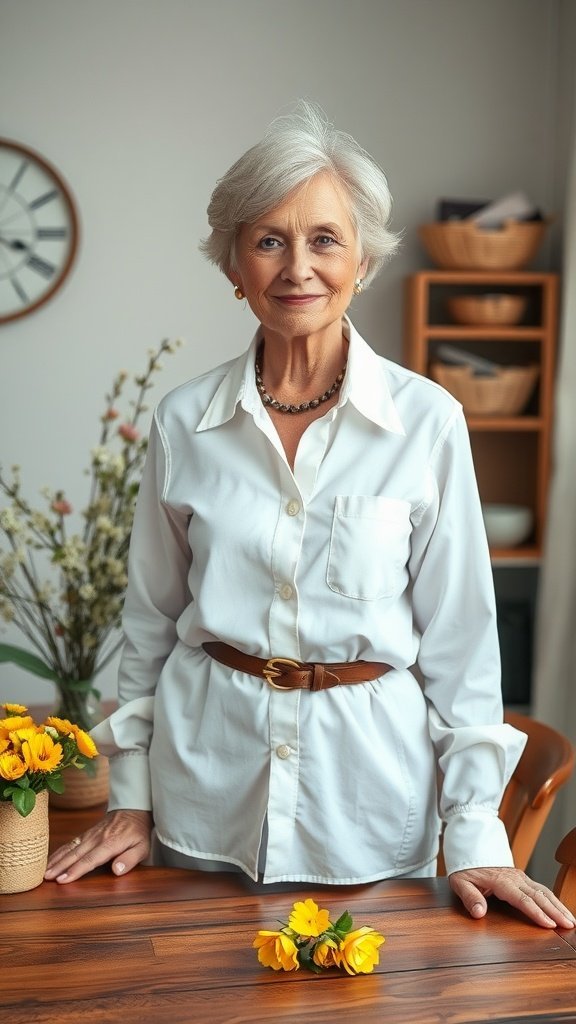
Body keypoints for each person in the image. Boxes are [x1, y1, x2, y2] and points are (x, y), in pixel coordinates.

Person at [45, 101, 575, 931]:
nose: (298, 266)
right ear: (233, 266)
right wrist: (133, 798)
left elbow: (463, 645)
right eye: (268, 240)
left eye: (324, 238)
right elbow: (150, 622)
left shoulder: (427, 421)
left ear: (362, 261)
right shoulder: (182, 422)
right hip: (203, 804)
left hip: (367, 813)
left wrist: (475, 833)